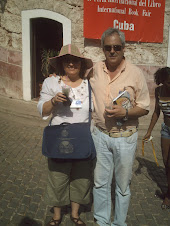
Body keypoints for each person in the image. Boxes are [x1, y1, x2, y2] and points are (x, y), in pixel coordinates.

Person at [89, 28, 150, 226]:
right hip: (100, 135)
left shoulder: (135, 73)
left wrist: (125, 113)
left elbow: (144, 107)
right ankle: (102, 220)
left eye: (117, 47)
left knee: (123, 186)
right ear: (102, 49)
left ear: (124, 48)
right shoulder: (95, 70)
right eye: (108, 47)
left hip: (125, 137)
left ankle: (119, 223)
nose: (112, 51)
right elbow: (76, 81)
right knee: (100, 183)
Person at [37, 44, 93, 226]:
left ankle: (75, 214)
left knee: (81, 178)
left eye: (75, 60)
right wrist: (53, 101)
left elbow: (85, 108)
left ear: (81, 64)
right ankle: (56, 216)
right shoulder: (51, 82)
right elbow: (41, 110)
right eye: (67, 60)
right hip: (59, 136)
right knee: (57, 178)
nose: (71, 63)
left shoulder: (89, 84)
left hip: (83, 137)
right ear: (61, 63)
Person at [143, 67, 170, 209]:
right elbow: (156, 113)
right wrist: (149, 131)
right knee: (166, 162)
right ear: (162, 81)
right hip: (166, 130)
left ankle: (168, 196)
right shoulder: (159, 91)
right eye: (169, 83)